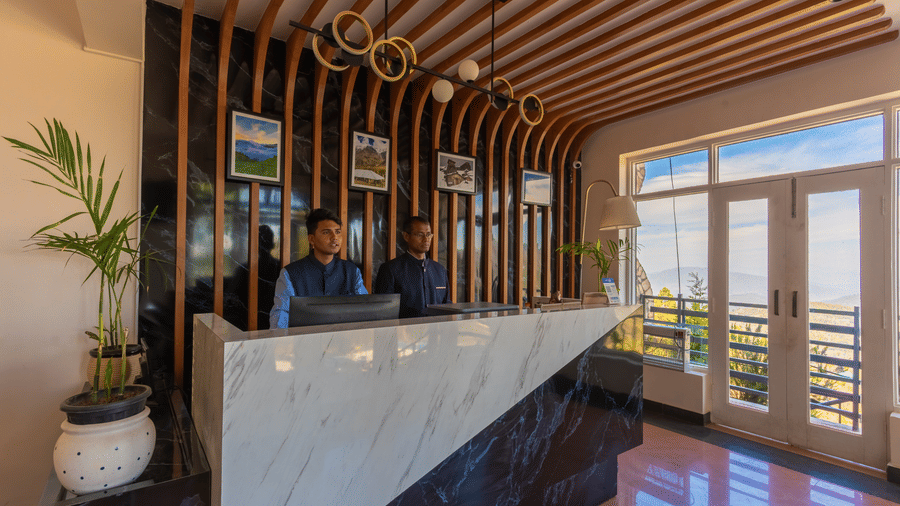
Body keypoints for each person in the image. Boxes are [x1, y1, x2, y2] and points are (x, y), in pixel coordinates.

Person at [269, 208, 367, 329]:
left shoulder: (352, 271)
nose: (334, 237)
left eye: (337, 232)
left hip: (344, 341)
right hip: (304, 342)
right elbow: (281, 315)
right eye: (326, 232)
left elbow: (365, 309)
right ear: (311, 239)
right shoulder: (290, 273)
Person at [374, 216, 450, 318]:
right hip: (405, 332)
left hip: (436, 331)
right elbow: (383, 312)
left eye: (428, 235)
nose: (426, 239)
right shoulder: (390, 269)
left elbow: (447, 305)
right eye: (420, 235)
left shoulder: (440, 270)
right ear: (406, 236)